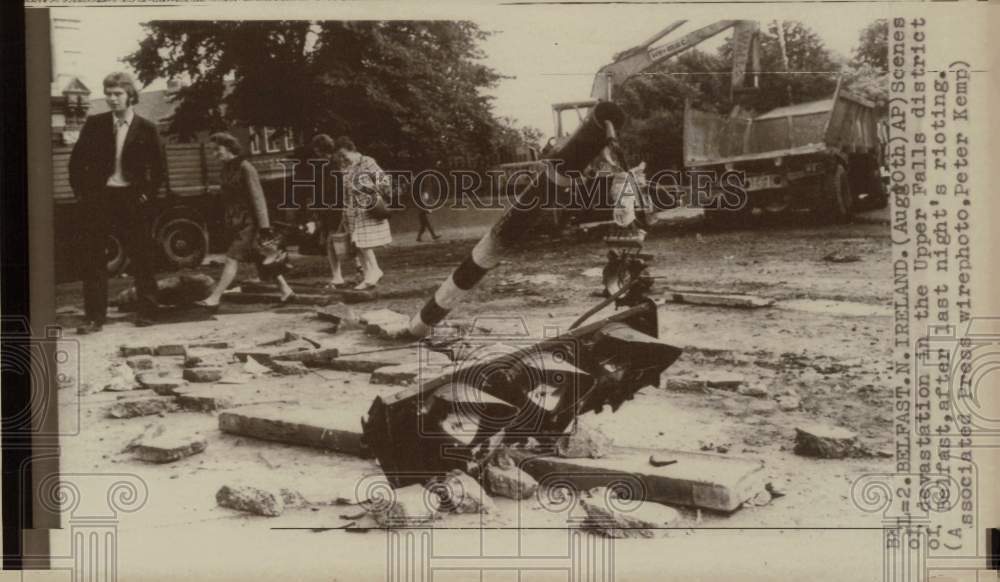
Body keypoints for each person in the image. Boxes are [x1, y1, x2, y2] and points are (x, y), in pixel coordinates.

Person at [69, 71, 167, 334]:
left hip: (133, 200)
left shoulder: (147, 128)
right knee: (94, 259)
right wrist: (83, 194)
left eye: (118, 94)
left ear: (130, 96)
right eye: (108, 94)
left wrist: (146, 195)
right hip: (100, 198)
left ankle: (147, 312)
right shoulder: (95, 124)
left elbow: (158, 170)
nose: (112, 99)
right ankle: (94, 318)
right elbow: (76, 163)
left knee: (142, 257)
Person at [195, 132, 295, 308]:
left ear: (228, 147)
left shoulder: (246, 167)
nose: (214, 154)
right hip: (237, 222)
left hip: (251, 223)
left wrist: (264, 227)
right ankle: (286, 291)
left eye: (217, 149)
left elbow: (258, 198)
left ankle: (215, 297)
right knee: (261, 257)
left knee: (231, 257)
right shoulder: (226, 168)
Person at [335, 136, 392, 290]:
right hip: (352, 211)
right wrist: (344, 211)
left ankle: (374, 272)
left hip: (367, 208)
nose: (342, 158)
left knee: (364, 243)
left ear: (352, 150)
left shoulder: (367, 161)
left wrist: (369, 189)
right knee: (357, 245)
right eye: (340, 155)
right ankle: (370, 275)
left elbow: (384, 181)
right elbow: (345, 191)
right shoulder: (346, 167)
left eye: (344, 154)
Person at [308, 134, 352, 289]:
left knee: (333, 242)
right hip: (337, 208)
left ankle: (337, 276)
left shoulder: (328, 166)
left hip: (333, 210)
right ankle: (359, 271)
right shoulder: (336, 163)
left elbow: (327, 190)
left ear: (318, 150)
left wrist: (318, 210)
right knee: (347, 240)